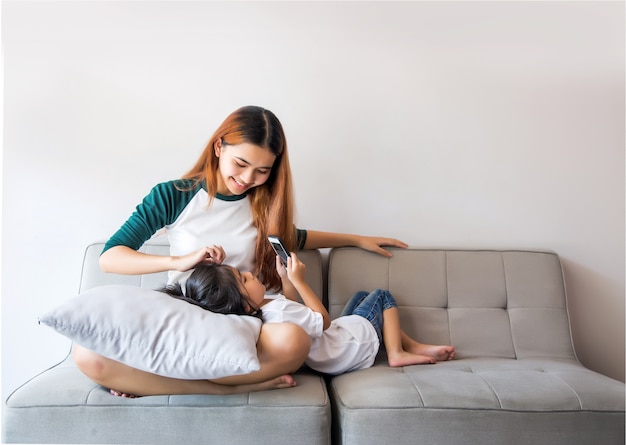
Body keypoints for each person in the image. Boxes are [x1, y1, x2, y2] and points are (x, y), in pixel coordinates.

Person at [73, 105, 408, 396]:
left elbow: (296, 237)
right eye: (241, 163)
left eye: (263, 170)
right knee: (87, 353)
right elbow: (111, 257)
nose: (248, 178)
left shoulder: (262, 206)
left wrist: (355, 239)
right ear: (219, 146)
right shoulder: (173, 195)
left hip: (244, 325)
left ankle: (153, 380)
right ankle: (232, 385)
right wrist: (181, 260)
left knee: (293, 340)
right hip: (189, 318)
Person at [161, 254, 455, 375]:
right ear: (242, 301)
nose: (250, 273)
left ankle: (411, 345)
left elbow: (296, 311)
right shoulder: (273, 308)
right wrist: (301, 280)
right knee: (381, 297)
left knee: (359, 298)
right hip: (349, 348)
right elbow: (322, 320)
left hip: (334, 346)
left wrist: (284, 279)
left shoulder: (260, 314)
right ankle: (397, 353)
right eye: (244, 278)